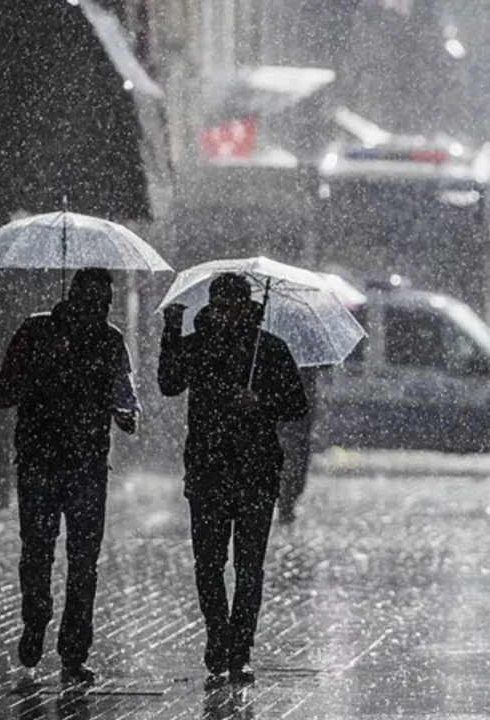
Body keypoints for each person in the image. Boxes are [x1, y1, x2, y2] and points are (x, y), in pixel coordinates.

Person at [158, 274, 308, 686]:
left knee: (249, 567)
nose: (223, 315)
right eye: (218, 306)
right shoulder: (198, 344)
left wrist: (260, 401)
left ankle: (240, 649)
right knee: (208, 564)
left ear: (247, 307)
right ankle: (217, 636)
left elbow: (296, 404)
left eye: (231, 306)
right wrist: (171, 332)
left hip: (256, 471)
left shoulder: (270, 349)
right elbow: (169, 383)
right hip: (208, 469)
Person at [0, 268, 139, 687]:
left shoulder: (110, 341)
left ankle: (74, 652)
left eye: (104, 303)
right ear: (71, 296)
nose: (98, 310)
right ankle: (36, 619)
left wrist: (126, 416)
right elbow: (2, 393)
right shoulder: (35, 332)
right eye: (91, 300)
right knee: (37, 552)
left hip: (89, 466)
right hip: (39, 463)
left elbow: (124, 396)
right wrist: (44, 363)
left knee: (84, 563)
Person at [277, 366, 320, 524]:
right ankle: (285, 502)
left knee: (297, 470)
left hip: (299, 430)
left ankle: (287, 501)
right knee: (291, 468)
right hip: (287, 429)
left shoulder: (308, 372)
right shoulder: (280, 369)